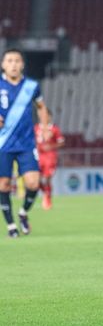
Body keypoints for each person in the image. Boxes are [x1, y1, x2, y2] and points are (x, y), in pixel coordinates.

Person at [0, 49, 50, 238]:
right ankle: (11, 225)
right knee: (3, 185)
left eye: (17, 60)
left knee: (33, 182)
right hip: (2, 143)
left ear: (22, 64)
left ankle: (23, 213)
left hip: (26, 144)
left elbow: (41, 107)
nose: (13, 64)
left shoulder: (31, 86)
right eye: (9, 60)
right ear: (3, 64)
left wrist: (44, 128)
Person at [34, 110, 65, 210]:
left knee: (47, 178)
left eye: (46, 116)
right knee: (35, 180)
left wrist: (51, 146)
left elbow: (61, 142)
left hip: (50, 157)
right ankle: (46, 193)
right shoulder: (36, 128)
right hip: (37, 156)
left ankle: (47, 198)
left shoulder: (54, 129)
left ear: (50, 117)